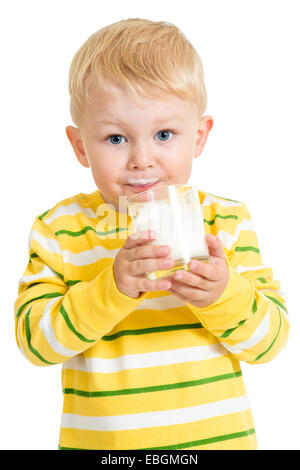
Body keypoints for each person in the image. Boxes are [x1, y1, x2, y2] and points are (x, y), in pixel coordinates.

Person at [14, 18, 289, 450]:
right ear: (81, 145)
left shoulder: (226, 221)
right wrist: (113, 288)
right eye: (116, 137)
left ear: (197, 136)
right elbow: (35, 344)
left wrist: (223, 294)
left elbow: (270, 342)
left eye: (164, 134)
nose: (142, 159)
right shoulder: (61, 230)